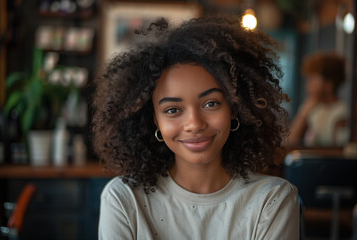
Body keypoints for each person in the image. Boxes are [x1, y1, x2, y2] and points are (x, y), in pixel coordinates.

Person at [93, 17, 299, 239]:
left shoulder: (272, 199)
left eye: (211, 104)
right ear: (155, 120)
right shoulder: (124, 199)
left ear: (234, 108)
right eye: (172, 110)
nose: (194, 124)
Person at [288, 52, 349, 147]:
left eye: (312, 79)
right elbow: (289, 142)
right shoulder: (313, 109)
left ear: (329, 84)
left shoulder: (343, 112)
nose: (307, 85)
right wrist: (304, 113)